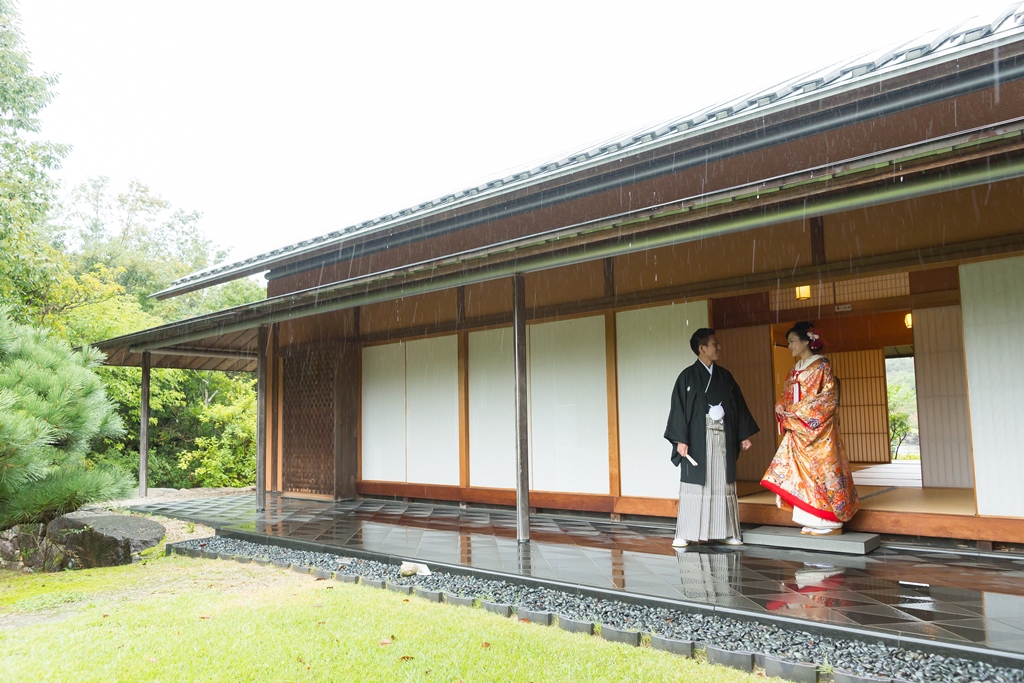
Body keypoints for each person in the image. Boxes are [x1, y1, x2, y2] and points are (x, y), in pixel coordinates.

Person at [760, 321, 860, 536]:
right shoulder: (793, 370)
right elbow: (786, 394)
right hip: (798, 431)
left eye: (793, 341)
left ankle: (830, 521)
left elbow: (828, 398)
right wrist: (780, 404)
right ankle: (811, 518)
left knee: (821, 471)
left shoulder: (822, 365)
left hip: (818, 430)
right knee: (799, 473)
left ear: (807, 341)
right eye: (788, 342)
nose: (790, 346)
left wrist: (797, 413)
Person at [665, 328, 759, 547]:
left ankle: (726, 532)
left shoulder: (725, 377)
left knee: (722, 484)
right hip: (696, 440)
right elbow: (678, 409)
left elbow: (738, 406)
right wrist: (680, 439)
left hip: (722, 438)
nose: (718, 347)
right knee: (695, 486)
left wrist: (743, 434)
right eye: (714, 344)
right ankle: (685, 533)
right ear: (702, 348)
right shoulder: (687, 377)